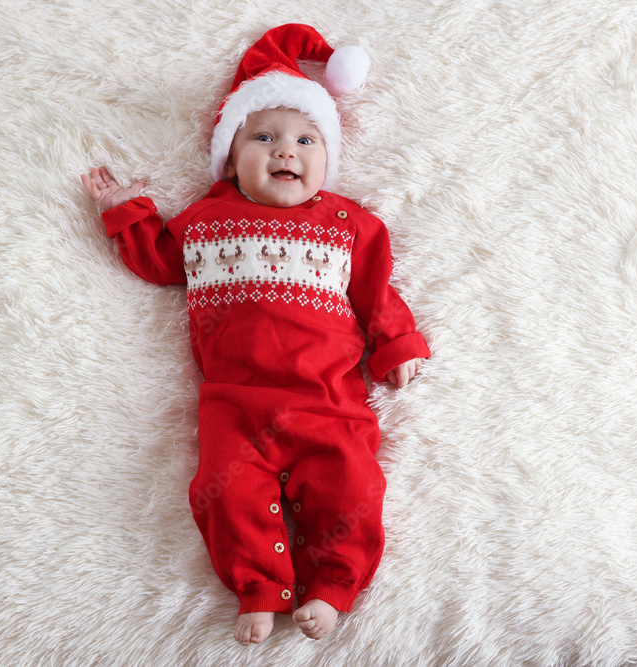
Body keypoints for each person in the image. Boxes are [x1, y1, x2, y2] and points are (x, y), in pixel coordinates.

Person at [81, 24, 430, 645]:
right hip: (235, 404)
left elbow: (376, 290)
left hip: (329, 401)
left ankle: (332, 584)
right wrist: (127, 212)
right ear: (230, 154)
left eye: (305, 139)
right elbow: (161, 261)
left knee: (350, 484)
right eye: (263, 137)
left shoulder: (347, 223)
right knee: (225, 493)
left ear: (328, 158)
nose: (285, 151)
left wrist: (397, 343)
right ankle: (259, 587)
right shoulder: (207, 218)